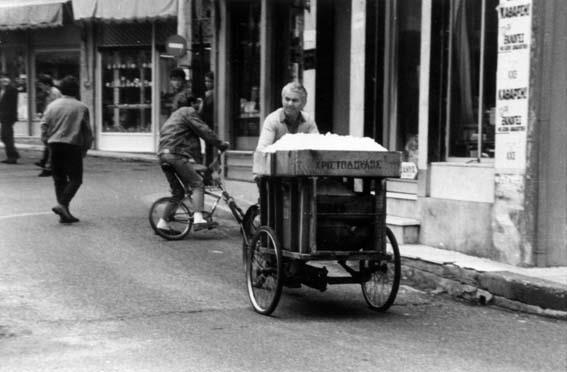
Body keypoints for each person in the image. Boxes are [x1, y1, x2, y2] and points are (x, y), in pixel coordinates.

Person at [156, 96, 229, 234]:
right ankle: (198, 218)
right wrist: (220, 145)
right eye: (199, 103)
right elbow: (204, 131)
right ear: (193, 104)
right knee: (197, 184)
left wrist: (198, 165)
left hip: (163, 156)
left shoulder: (173, 117)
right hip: (175, 155)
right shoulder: (188, 111)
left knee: (178, 192)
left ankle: (162, 223)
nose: (201, 106)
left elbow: (189, 144)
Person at [42, 76, 93, 224]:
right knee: (76, 179)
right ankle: (62, 205)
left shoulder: (52, 106)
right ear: (76, 90)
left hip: (54, 145)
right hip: (72, 145)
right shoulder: (81, 107)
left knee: (59, 179)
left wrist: (46, 142)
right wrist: (86, 147)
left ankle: (64, 213)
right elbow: (87, 131)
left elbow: (44, 125)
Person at [256, 81, 319, 152]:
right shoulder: (272, 120)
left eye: (294, 100)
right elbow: (262, 151)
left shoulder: (308, 120)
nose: (290, 104)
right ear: (282, 99)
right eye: (287, 99)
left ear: (303, 103)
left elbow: (317, 146)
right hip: (276, 162)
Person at [35, 74, 62, 176]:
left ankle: (49, 168)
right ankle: (48, 164)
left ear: (47, 84)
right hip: (50, 121)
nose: (40, 87)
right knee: (49, 144)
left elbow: (55, 108)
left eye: (41, 84)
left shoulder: (54, 93)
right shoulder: (49, 92)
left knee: (51, 145)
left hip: (53, 122)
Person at [0, 72, 20, 164]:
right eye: (2, 78)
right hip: (3, 117)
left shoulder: (11, 90)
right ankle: (13, 154)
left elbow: (12, 105)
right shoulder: (2, 90)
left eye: (5, 79)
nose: (3, 80)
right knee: (5, 136)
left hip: (9, 117)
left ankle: (12, 156)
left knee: (6, 136)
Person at [200, 71, 215, 165]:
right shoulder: (207, 95)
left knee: (210, 148)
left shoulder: (212, 95)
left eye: (209, 81)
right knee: (208, 148)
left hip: (211, 124)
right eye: (206, 81)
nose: (207, 84)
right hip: (207, 125)